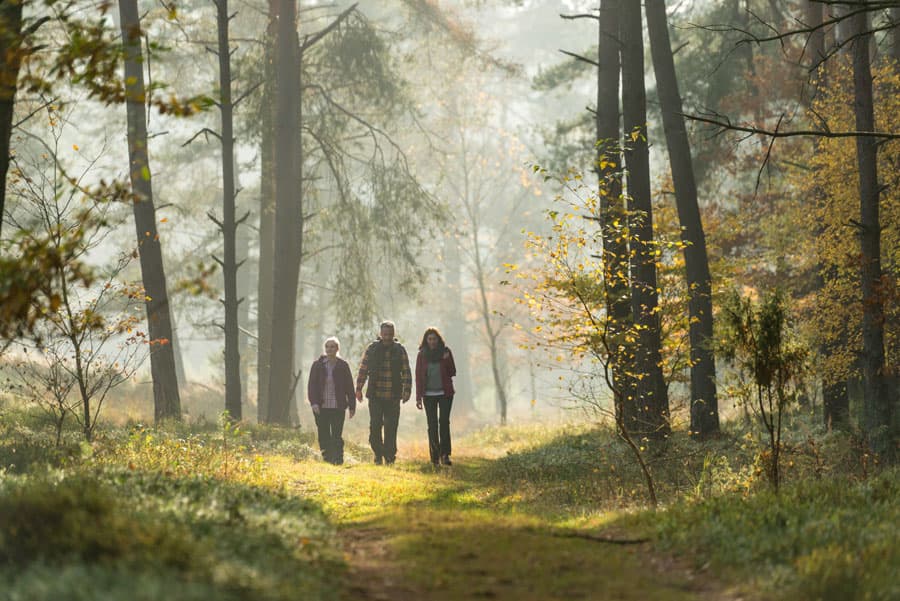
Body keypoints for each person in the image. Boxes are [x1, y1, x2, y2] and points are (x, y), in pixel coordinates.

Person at [355, 321, 412, 465]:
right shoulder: (372, 349)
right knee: (375, 426)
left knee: (391, 427)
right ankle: (378, 453)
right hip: (375, 395)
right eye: (385, 334)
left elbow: (406, 371)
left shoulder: (400, 350)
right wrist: (359, 388)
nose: (387, 337)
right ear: (380, 334)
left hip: (393, 395)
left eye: (390, 334)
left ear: (394, 334)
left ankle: (390, 457)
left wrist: (407, 390)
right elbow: (363, 369)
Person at [307, 336, 356, 465]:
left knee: (336, 435)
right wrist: (314, 403)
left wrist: (352, 406)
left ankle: (338, 460)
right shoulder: (317, 365)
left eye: (332, 346)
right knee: (323, 434)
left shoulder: (343, 366)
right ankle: (327, 458)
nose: (329, 349)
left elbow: (349, 387)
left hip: (338, 407)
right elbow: (311, 386)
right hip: (321, 407)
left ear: (337, 349)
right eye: (327, 347)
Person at [414, 327, 457, 466]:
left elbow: (452, 371)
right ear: (426, 341)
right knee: (432, 426)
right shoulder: (422, 355)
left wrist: (446, 360)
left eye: (434, 339)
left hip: (445, 394)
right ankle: (435, 457)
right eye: (430, 339)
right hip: (428, 395)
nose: (432, 341)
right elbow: (418, 377)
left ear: (438, 340)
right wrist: (418, 397)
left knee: (444, 422)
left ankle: (445, 455)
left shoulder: (446, 352)